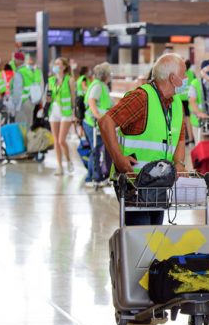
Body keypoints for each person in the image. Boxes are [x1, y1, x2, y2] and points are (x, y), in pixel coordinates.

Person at [99, 53, 187, 226]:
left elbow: (180, 138)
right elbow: (105, 122)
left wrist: (179, 163)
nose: (186, 79)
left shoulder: (175, 103)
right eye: (184, 75)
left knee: (154, 237)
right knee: (141, 238)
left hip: (159, 181)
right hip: (134, 182)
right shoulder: (141, 98)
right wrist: (118, 159)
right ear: (173, 78)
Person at [82, 63, 113, 187]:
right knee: (96, 150)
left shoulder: (102, 86)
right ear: (105, 75)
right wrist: (97, 116)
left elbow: (107, 104)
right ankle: (92, 177)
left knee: (97, 149)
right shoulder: (97, 86)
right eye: (109, 74)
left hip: (100, 123)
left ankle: (97, 175)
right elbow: (92, 102)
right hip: (93, 123)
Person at [47, 57, 76, 175]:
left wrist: (74, 112)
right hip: (53, 111)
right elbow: (49, 96)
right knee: (56, 140)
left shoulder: (70, 80)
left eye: (58, 63)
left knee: (61, 140)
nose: (56, 65)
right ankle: (59, 167)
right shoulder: (51, 80)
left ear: (64, 67)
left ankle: (68, 160)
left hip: (66, 112)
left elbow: (73, 97)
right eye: (55, 63)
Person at [7, 52, 38, 127]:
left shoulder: (19, 72)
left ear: (17, 60)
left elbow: (17, 90)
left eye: (14, 60)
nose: (13, 62)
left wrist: (14, 105)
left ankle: (22, 139)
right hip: (30, 101)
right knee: (28, 125)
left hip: (22, 103)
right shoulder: (29, 70)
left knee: (21, 127)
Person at [178, 59, 195, 146]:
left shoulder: (179, 72)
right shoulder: (192, 73)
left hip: (180, 98)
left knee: (181, 119)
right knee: (188, 119)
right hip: (189, 98)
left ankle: (182, 139)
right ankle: (191, 138)